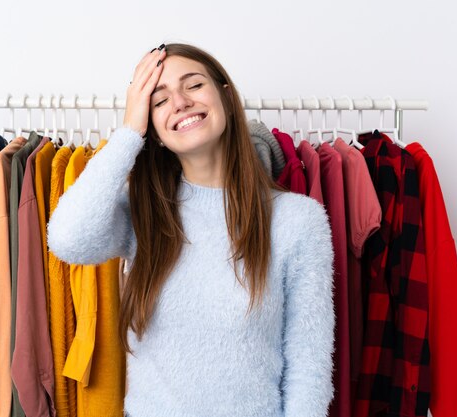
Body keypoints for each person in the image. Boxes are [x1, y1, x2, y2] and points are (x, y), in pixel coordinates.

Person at [47, 42, 335, 417]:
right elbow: (68, 239)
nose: (180, 102)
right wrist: (129, 134)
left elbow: (308, 371)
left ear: (226, 96)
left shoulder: (297, 221)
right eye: (159, 100)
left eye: (194, 85)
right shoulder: (144, 213)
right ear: (152, 127)